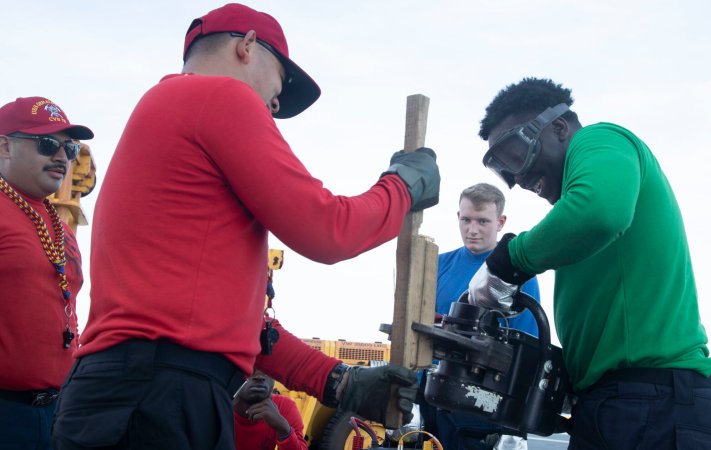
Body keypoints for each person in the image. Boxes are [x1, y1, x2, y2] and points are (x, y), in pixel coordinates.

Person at [51, 4, 438, 449]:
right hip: (158, 396)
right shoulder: (217, 97)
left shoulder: (167, 115)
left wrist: (338, 383)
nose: (275, 103)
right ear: (247, 45)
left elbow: (238, 326)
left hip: (131, 391)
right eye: (280, 82)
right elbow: (329, 229)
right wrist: (402, 187)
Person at [467, 77, 711, 449]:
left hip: (654, 400)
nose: (519, 177)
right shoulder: (570, 226)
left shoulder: (601, 138)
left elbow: (600, 211)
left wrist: (510, 261)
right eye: (504, 169)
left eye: (516, 153)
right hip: (624, 401)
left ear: (559, 127)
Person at [0, 96, 92, 450]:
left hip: (57, 413)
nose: (61, 158)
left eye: (69, 149)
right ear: (5, 146)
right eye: (47, 144)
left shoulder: (61, 227)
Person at [419, 182, 539, 450]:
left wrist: (515, 429)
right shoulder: (436, 265)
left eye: (483, 221)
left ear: (501, 221)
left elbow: (526, 353)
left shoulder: (517, 274)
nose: (472, 230)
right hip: (432, 399)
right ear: (458, 217)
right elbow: (418, 333)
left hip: (482, 406)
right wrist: (414, 399)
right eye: (466, 220)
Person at [233, 370, 306, 450]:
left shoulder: (284, 407)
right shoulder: (219, 406)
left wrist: (284, 430)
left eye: (266, 369)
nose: (259, 377)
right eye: (251, 368)